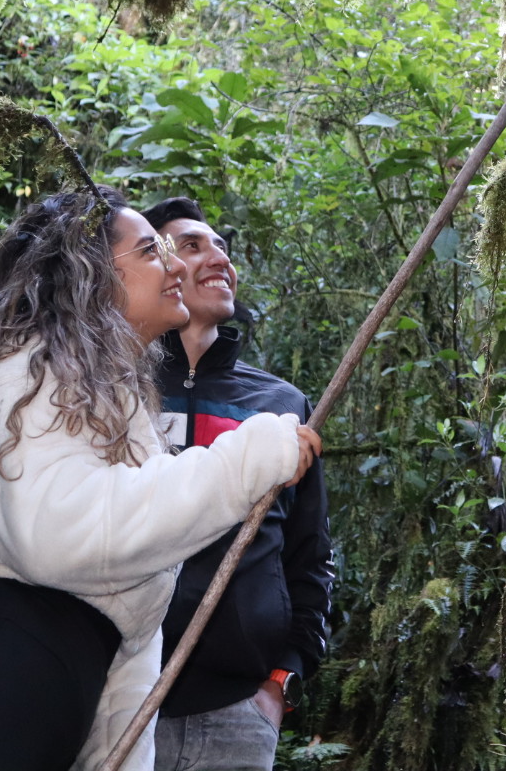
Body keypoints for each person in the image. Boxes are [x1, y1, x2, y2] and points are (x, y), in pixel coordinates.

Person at [0, 188, 322, 771]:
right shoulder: (24, 369)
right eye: (152, 251)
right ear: (89, 271)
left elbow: (125, 633)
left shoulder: (112, 404)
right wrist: (249, 459)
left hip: (29, 715)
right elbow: (60, 534)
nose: (177, 267)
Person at [139, 197, 333, 771]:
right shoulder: (110, 389)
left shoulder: (281, 405)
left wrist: (282, 681)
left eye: (221, 246)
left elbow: (310, 555)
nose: (218, 257)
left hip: (238, 711)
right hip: (115, 695)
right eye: (191, 245)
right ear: (156, 270)